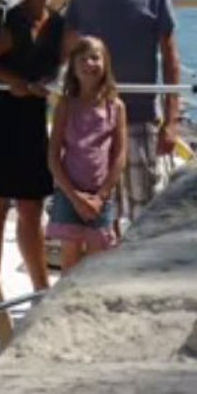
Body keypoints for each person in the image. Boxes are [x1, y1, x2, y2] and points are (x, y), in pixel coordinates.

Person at [64, 0, 180, 224]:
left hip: (140, 118)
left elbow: (170, 58)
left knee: (144, 209)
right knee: (101, 213)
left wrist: (171, 120)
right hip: (94, 120)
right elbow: (67, 51)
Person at [0, 0, 64, 292]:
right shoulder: (10, 23)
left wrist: (48, 84)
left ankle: (40, 289)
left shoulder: (57, 24)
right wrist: (16, 82)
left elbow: (67, 60)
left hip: (31, 120)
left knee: (31, 208)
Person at [46, 36, 127, 272]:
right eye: (83, 59)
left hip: (100, 195)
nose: (89, 64)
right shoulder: (66, 105)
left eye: (95, 58)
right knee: (69, 261)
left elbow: (120, 155)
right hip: (70, 193)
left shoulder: (116, 107)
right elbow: (53, 155)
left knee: (98, 261)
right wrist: (74, 197)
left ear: (105, 63)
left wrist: (100, 197)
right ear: (73, 65)